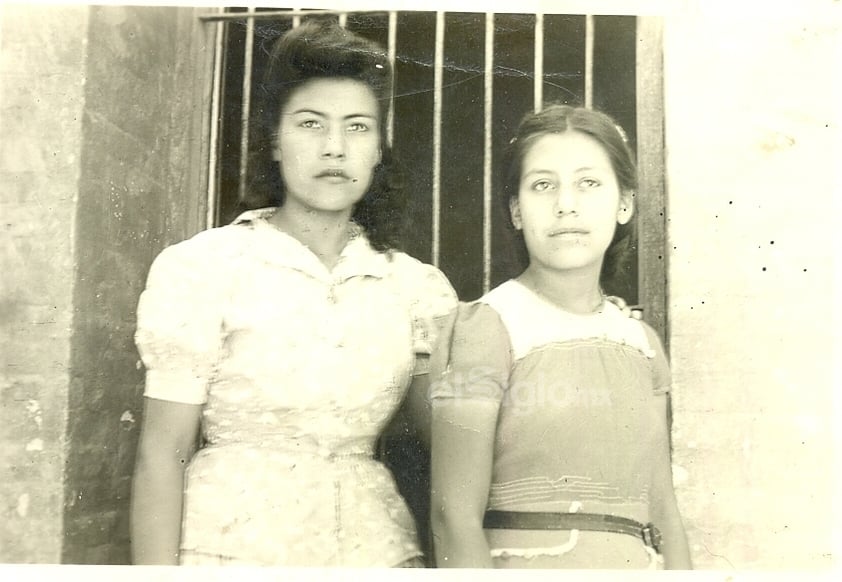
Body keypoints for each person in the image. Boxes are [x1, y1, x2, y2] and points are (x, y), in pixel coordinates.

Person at [130, 18, 456, 566]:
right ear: (274, 142)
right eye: (310, 124)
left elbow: (454, 444)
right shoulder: (206, 267)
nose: (334, 148)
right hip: (228, 550)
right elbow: (163, 456)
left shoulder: (415, 288)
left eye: (357, 127)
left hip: (373, 553)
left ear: (380, 149)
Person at [429, 104, 692, 569]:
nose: (565, 204)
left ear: (625, 202)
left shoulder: (642, 343)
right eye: (542, 185)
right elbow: (453, 517)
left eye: (588, 183)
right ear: (515, 210)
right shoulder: (485, 326)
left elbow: (664, 511)